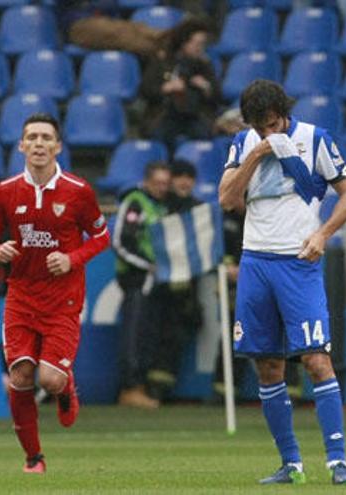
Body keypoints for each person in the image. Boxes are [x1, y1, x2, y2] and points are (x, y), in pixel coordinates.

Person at [218, 79, 346, 485]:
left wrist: (323, 234)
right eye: (259, 126)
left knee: (316, 359)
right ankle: (291, 463)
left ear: (285, 113)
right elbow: (227, 199)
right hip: (256, 261)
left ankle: (337, 461)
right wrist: (257, 153)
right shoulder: (245, 142)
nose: (268, 132)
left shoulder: (314, 138)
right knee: (267, 365)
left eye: (273, 124)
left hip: (298, 262)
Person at [0, 113, 110, 473]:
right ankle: (34, 457)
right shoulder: (5, 192)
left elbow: (101, 237)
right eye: (31, 137)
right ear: (21, 145)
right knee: (19, 377)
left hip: (62, 300)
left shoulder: (78, 191)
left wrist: (72, 258)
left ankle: (65, 388)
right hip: (20, 296)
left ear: (57, 146)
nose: (38, 143)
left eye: (45, 137)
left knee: (49, 380)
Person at [112, 161, 170, 410]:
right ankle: (129, 387)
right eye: (157, 183)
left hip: (155, 282)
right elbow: (120, 242)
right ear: (147, 181)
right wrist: (147, 265)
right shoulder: (135, 202)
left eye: (165, 184)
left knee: (147, 334)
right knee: (133, 335)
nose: (161, 188)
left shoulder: (162, 207)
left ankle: (140, 386)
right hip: (136, 279)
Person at [146, 160, 203, 400]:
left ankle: (165, 388)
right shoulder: (161, 205)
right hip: (161, 284)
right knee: (157, 333)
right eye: (179, 176)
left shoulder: (199, 209)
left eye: (188, 176)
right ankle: (151, 388)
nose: (184, 181)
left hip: (189, 285)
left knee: (179, 333)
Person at [140, 17, 221, 152]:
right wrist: (165, 88)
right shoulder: (163, 61)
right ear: (184, 43)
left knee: (203, 136)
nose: (199, 48)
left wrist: (206, 87)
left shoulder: (204, 65)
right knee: (159, 137)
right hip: (164, 113)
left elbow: (218, 98)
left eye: (202, 44)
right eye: (196, 44)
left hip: (196, 115)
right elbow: (145, 90)